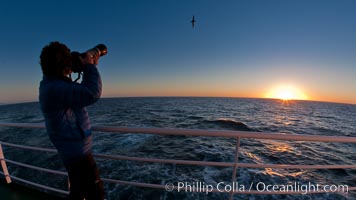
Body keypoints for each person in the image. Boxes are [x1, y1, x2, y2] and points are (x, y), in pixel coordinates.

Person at [39, 41, 105, 200]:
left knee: (77, 191)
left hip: (71, 151)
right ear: (61, 66)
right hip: (78, 154)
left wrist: (81, 66)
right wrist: (89, 66)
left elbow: (76, 93)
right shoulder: (55, 88)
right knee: (96, 194)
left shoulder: (52, 85)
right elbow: (91, 93)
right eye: (67, 60)